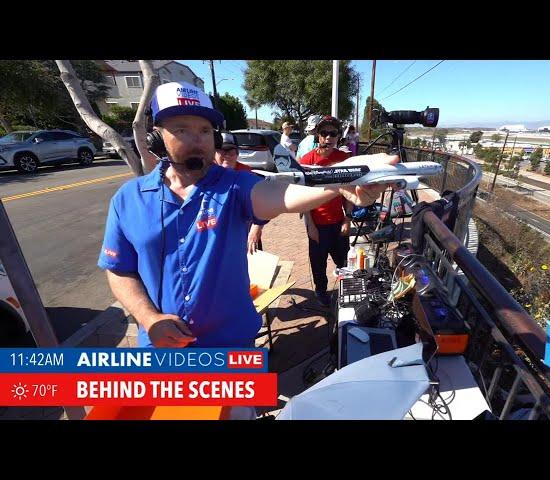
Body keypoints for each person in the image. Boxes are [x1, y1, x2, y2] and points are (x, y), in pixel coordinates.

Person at [97, 82, 397, 349]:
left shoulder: (235, 186)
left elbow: (284, 195)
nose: (198, 140)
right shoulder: (128, 199)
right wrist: (149, 318)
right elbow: (119, 268)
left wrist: (346, 175)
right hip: (161, 346)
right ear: (157, 136)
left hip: (232, 344)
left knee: (237, 414)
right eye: (182, 130)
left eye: (204, 130)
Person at [299, 115, 353, 307]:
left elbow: (350, 192)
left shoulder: (344, 159)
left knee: (344, 263)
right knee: (318, 265)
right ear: (318, 136)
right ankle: (321, 293)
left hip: (338, 223)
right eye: (324, 133)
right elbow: (303, 197)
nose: (328, 137)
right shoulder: (306, 160)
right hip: (317, 225)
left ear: (338, 136)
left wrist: (348, 219)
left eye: (333, 133)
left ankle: (345, 292)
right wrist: (310, 225)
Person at [214, 132, 264, 253]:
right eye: (222, 151)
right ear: (214, 153)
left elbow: (262, 204)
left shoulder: (247, 173)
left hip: (246, 231)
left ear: (237, 153)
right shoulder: (207, 173)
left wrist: (256, 227)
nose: (227, 155)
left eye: (231, 151)